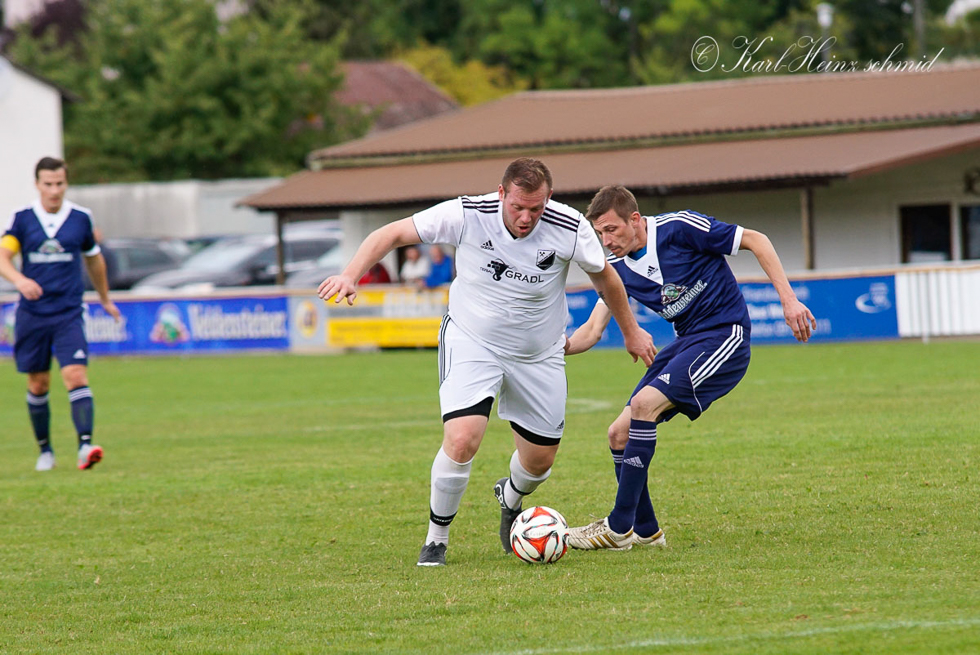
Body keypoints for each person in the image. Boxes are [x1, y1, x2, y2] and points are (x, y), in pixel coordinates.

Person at [318, 158, 655, 566]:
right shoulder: (467, 214)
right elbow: (391, 233)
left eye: (536, 208)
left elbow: (606, 279)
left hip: (538, 354)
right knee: (462, 439)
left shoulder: (569, 226)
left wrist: (631, 331)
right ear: (501, 194)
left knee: (539, 463)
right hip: (473, 341)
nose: (526, 217)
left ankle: (510, 496)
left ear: (549, 198)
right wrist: (351, 274)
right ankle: (436, 539)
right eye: (518, 207)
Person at [563, 185, 815, 551]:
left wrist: (788, 301)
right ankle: (647, 533)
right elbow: (591, 331)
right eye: (600, 233)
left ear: (635, 219)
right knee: (618, 433)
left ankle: (618, 527)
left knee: (644, 405)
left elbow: (757, 240)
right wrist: (554, 348)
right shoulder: (616, 270)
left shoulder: (679, 228)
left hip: (725, 334)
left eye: (612, 230)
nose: (606, 241)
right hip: (686, 344)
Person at [0, 157, 121, 472]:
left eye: (59, 184)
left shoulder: (80, 218)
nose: (54, 190)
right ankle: (45, 451)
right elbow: (3, 256)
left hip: (68, 312)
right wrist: (20, 280)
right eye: (48, 184)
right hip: (32, 314)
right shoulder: (23, 219)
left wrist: (105, 299)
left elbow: (93, 260)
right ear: (37, 184)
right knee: (38, 383)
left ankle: (85, 447)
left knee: (75, 375)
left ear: (66, 183)